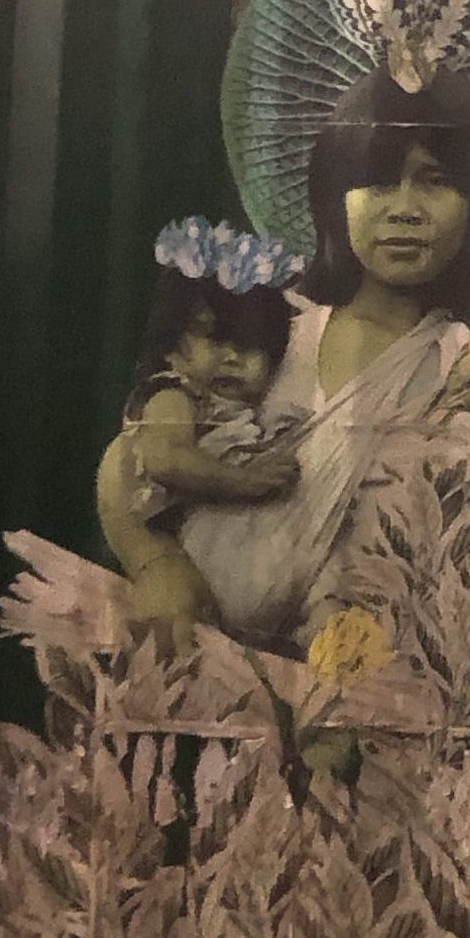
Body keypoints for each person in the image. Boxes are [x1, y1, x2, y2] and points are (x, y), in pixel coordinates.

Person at [176, 70, 470, 650]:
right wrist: (153, 565)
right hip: (196, 650)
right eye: (377, 181)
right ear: (333, 197)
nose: (405, 210)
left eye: (435, 181)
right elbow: (141, 464)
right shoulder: (271, 336)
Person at [97, 220, 307, 646]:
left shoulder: (246, 412)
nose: (232, 358)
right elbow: (166, 458)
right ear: (172, 346)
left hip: (216, 558)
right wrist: (244, 481)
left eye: (252, 347)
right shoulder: (174, 394)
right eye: (215, 340)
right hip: (161, 550)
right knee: (178, 619)